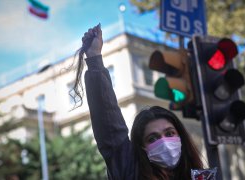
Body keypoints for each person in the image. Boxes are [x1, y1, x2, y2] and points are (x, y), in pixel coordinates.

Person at [82, 24, 203, 180]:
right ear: (142, 148)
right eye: (153, 138)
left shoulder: (199, 176)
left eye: (169, 133)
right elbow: (109, 124)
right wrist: (94, 59)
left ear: (181, 136)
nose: (164, 142)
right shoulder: (131, 171)